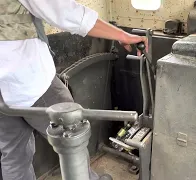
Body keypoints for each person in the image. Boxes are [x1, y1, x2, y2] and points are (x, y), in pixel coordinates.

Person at [0, 0, 147, 180]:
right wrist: (122, 35)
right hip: (30, 80)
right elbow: (64, 12)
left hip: (2, 91)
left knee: (13, 156)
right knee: (74, 141)